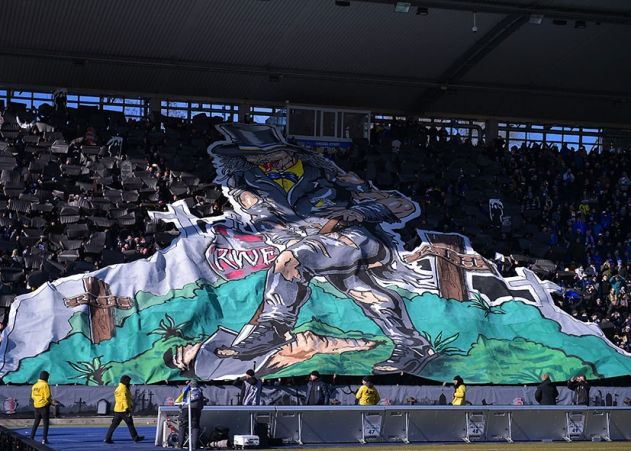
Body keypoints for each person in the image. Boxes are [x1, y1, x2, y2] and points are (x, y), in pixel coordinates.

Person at [209, 124, 436, 375]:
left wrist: (358, 212)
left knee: (292, 259)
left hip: (351, 238)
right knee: (365, 293)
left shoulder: (329, 174)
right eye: (257, 159)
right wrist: (291, 240)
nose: (267, 164)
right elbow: (269, 224)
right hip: (310, 246)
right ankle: (414, 346)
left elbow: (397, 204)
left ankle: (274, 328)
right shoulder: (248, 186)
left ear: (289, 152)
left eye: (271, 156)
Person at [104, 375, 144, 444]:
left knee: (114, 425)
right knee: (130, 424)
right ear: (125, 381)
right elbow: (124, 399)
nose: (129, 383)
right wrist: (127, 409)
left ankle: (107, 438)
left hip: (117, 410)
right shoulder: (123, 388)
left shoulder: (118, 388)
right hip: (123, 410)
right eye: (128, 381)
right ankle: (135, 438)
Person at [175, 380, 204, 449]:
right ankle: (194, 445)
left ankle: (180, 444)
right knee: (195, 426)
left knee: (183, 426)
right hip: (196, 408)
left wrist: (180, 409)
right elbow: (201, 401)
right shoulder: (199, 390)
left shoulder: (184, 389)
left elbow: (181, 400)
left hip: (185, 408)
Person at [30, 371, 52, 445]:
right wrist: (51, 402)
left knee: (36, 422)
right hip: (44, 406)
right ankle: (44, 439)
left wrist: (37, 401)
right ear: (46, 377)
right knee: (46, 423)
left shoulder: (35, 385)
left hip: (36, 406)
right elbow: (47, 396)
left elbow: (32, 396)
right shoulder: (45, 385)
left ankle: (31, 437)